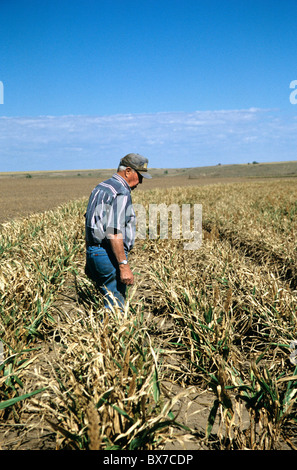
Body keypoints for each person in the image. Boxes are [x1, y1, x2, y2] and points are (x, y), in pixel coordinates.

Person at [85, 153, 152, 310]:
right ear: (128, 171)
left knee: (106, 303)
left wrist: (89, 256)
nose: (141, 181)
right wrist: (123, 266)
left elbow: (90, 223)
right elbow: (114, 231)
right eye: (139, 175)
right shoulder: (121, 191)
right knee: (115, 308)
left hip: (94, 253)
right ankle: (109, 333)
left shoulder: (101, 187)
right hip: (108, 256)